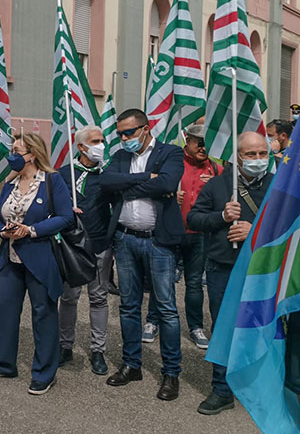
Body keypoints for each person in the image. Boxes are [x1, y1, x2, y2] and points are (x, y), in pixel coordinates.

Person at [0, 133, 73, 395]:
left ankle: (44, 373)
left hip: (40, 257)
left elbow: (66, 217)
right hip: (10, 259)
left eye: (17, 150)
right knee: (6, 311)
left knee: (43, 314)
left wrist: (31, 230)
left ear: (32, 154)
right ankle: (6, 364)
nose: (12, 155)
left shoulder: (53, 181)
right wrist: (4, 231)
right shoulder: (10, 183)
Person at [100, 108, 184, 402]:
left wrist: (130, 186)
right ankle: (132, 364)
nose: (124, 138)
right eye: (120, 133)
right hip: (125, 239)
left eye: (129, 133)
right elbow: (106, 181)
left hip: (157, 242)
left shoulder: (170, 152)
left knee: (166, 309)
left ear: (145, 129)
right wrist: (145, 177)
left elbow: (167, 183)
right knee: (128, 306)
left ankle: (171, 372)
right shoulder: (121, 156)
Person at [187, 131, 273, 415]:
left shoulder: (278, 186)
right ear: (238, 156)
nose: (258, 159)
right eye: (251, 154)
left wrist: (254, 232)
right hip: (222, 268)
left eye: (263, 153)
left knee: (264, 327)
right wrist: (222, 217)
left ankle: (258, 387)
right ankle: (221, 390)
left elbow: (290, 227)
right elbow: (194, 218)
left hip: (264, 270)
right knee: (224, 329)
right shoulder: (220, 184)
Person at [147, 122, 217, 351]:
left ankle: (196, 326)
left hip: (199, 235)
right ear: (188, 141)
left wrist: (214, 188)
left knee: (195, 283)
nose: (203, 148)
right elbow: (153, 188)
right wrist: (169, 195)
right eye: (200, 143)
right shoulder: (173, 162)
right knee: (162, 280)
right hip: (171, 231)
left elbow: (225, 199)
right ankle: (153, 321)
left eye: (207, 144)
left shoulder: (216, 170)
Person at [58, 125, 113, 376]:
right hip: (72, 246)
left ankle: (98, 350)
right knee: (69, 297)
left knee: (99, 298)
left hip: (100, 245)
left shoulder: (109, 175)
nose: (101, 145)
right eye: (95, 141)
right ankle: (65, 346)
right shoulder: (63, 175)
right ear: (81, 147)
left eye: (102, 140)